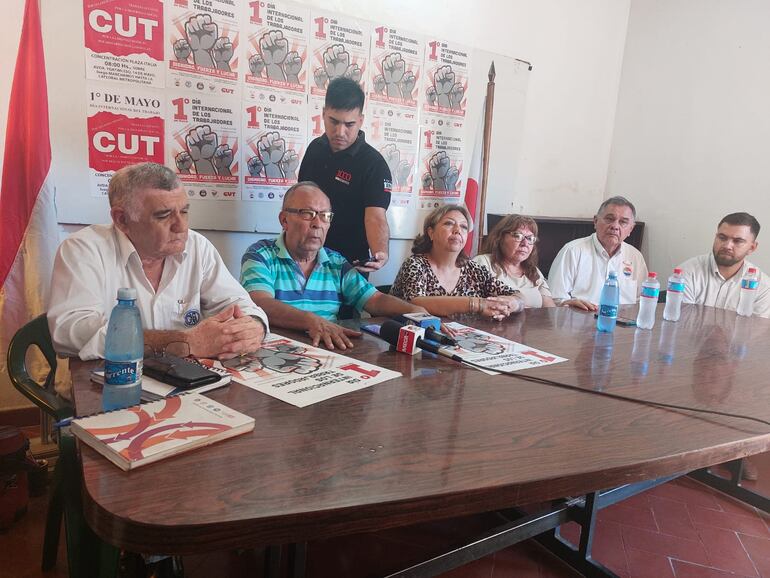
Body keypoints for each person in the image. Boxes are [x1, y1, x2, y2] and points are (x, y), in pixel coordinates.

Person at [48, 162, 268, 361]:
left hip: (185, 379)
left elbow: (239, 304)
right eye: (163, 215)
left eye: (184, 212)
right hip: (108, 381)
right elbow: (69, 333)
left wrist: (254, 327)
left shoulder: (197, 246)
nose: (181, 226)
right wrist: (184, 342)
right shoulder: (84, 249)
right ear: (122, 220)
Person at [240, 182, 426, 350]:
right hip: (275, 352)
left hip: (328, 351)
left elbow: (374, 299)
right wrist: (311, 321)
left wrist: (414, 311)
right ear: (284, 220)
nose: (317, 224)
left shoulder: (336, 263)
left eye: (325, 216)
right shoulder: (260, 255)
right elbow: (260, 303)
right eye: (307, 214)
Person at [298, 77, 392, 274]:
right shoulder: (315, 149)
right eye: (333, 121)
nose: (340, 132)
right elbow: (300, 201)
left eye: (349, 124)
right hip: (305, 259)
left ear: (361, 121)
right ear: (323, 114)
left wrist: (380, 251)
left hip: (349, 265)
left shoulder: (373, 164)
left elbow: (375, 217)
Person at [390, 205, 525, 318]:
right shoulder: (415, 264)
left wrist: (511, 304)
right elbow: (416, 303)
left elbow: (517, 296)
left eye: (464, 227)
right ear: (431, 233)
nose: (457, 230)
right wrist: (477, 304)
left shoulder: (474, 269)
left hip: (463, 336)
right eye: (449, 223)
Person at [548, 196, 648, 310]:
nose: (615, 226)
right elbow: (554, 299)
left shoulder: (635, 257)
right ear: (595, 221)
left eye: (623, 222)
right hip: (579, 317)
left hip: (622, 319)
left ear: (631, 229)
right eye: (609, 219)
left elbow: (641, 301)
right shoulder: (572, 251)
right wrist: (567, 304)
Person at [677, 212, 769, 318]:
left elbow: (755, 327)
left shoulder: (763, 286)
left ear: (752, 248)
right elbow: (682, 322)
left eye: (738, 241)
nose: (727, 246)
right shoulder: (687, 272)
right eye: (722, 237)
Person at [473, 215, 555, 308]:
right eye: (517, 236)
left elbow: (550, 310)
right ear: (500, 238)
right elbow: (473, 305)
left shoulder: (533, 271)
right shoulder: (483, 263)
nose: (525, 243)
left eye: (530, 238)